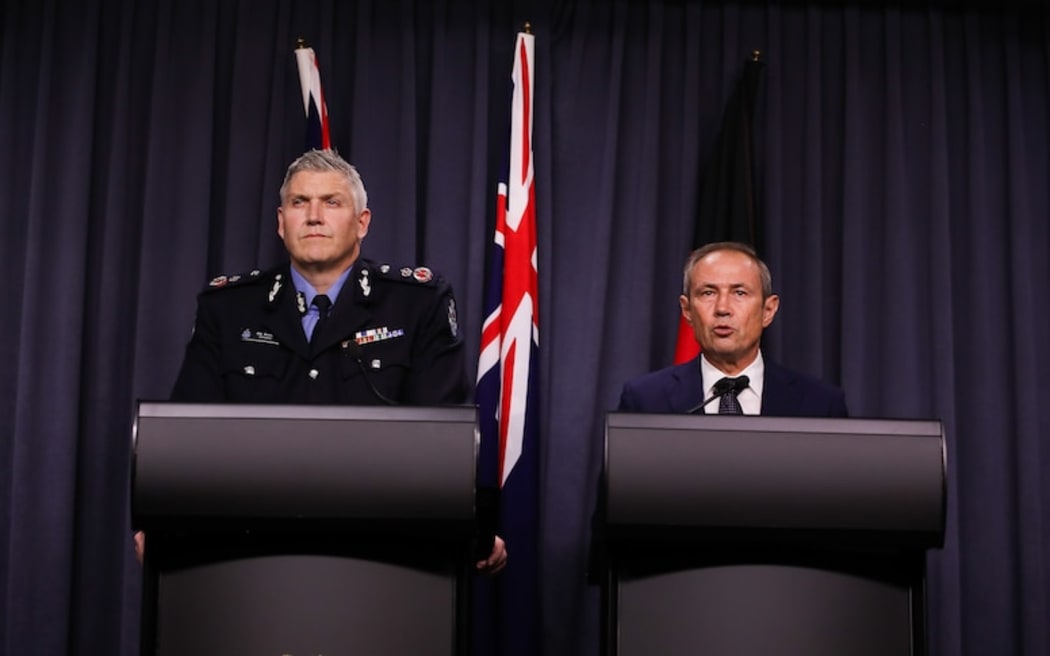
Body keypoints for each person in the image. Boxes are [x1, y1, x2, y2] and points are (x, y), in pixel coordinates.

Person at [136, 149, 506, 573]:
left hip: (383, 556)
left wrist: (469, 526)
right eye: (299, 203)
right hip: (248, 555)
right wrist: (164, 521)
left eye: (332, 202)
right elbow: (188, 437)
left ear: (362, 222)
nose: (314, 216)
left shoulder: (416, 304)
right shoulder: (229, 308)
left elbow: (446, 441)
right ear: (281, 222)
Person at [618, 241, 847, 416]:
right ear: (687, 310)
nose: (722, 308)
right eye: (708, 293)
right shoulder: (645, 399)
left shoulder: (821, 403)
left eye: (739, 293)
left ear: (768, 310)